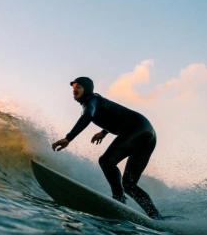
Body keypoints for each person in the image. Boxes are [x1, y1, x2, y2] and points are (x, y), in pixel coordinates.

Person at [51, 77, 163, 220]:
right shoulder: (97, 101)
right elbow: (116, 115)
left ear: (87, 89)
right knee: (129, 184)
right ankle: (155, 215)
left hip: (137, 128)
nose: (75, 89)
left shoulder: (90, 101)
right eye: (73, 87)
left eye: (78, 86)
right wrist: (104, 131)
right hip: (148, 134)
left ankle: (118, 197)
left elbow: (87, 117)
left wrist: (69, 138)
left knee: (106, 161)